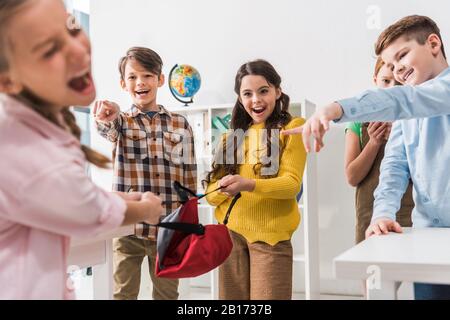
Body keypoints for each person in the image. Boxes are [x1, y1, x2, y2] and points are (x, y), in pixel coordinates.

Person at [0, 0, 163, 299]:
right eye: (49, 50)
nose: (78, 51)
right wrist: (146, 208)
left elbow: (71, 193)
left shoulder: (38, 127)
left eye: (72, 28)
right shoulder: (21, 145)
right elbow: (89, 209)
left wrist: (135, 199)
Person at [284, 15, 450, 299]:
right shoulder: (406, 113)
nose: (398, 71)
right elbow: (394, 167)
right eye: (392, 65)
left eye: (402, 56)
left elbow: (402, 101)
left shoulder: (431, 94)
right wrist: (383, 214)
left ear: (433, 43)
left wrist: (334, 109)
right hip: (426, 236)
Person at [93, 47, 197, 300]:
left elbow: (189, 174)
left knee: (167, 295)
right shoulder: (122, 122)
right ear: (123, 83)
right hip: (128, 228)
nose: (140, 82)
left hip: (168, 228)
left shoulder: (180, 124)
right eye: (132, 77)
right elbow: (109, 128)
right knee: (123, 294)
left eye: (148, 75)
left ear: (160, 79)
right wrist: (108, 116)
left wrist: (189, 221)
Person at [204, 59, 306, 300]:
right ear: (240, 98)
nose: (256, 100)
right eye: (247, 94)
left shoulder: (293, 128)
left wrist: (248, 184)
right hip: (230, 237)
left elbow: (291, 185)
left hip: (271, 239)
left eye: (263, 91)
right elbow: (210, 196)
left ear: (277, 91)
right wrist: (221, 188)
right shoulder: (232, 137)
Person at [344, 57, 413, 244]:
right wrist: (374, 142)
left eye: (399, 82)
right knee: (372, 271)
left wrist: (399, 142)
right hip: (370, 219)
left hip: (412, 220)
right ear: (375, 79)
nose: (392, 88)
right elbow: (352, 177)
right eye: (386, 81)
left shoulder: (416, 120)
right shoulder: (358, 120)